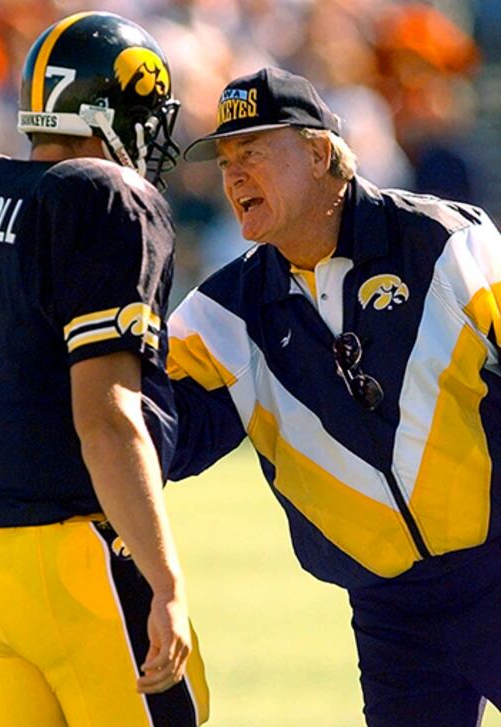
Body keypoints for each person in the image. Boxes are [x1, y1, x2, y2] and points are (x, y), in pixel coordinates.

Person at [167, 66, 501, 726]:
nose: (234, 176)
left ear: (320, 152)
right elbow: (146, 431)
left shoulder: (445, 243)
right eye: (226, 160)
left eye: (254, 152)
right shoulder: (224, 312)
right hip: (390, 615)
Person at [0, 11, 209, 727]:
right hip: (74, 562)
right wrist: (165, 580)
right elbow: (106, 416)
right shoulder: (105, 199)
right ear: (109, 111)